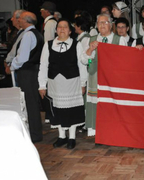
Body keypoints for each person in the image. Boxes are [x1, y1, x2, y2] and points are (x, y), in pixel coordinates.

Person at [38, 19, 87, 149]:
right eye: (59, 27)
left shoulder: (76, 44)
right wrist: (42, 85)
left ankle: (71, 137)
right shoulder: (48, 45)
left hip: (72, 83)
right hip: (55, 84)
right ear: (56, 30)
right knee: (57, 110)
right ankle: (61, 136)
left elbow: (81, 66)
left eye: (65, 27)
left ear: (70, 31)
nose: (62, 29)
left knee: (71, 110)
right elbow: (43, 66)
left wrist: (83, 83)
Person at [80, 13, 127, 136]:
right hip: (95, 79)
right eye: (99, 23)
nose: (102, 25)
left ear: (111, 25)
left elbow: (124, 61)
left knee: (111, 105)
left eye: (105, 22)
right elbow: (85, 61)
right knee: (96, 105)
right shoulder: (91, 39)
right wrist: (90, 50)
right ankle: (96, 132)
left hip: (112, 80)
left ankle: (111, 131)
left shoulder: (119, 39)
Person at [7, 11, 44, 143]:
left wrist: (12, 66)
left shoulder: (28, 35)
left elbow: (22, 57)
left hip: (27, 72)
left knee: (30, 103)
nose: (18, 21)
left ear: (26, 21)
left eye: (21, 19)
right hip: (34, 71)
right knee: (32, 102)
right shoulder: (37, 34)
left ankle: (34, 135)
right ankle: (35, 133)